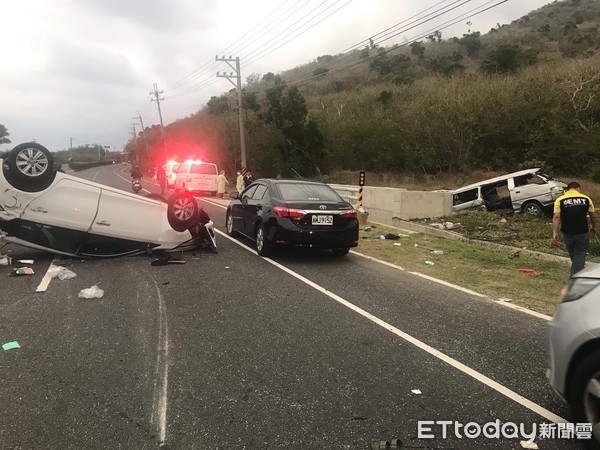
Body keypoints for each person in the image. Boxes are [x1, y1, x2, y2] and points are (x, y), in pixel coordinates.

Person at [552, 181, 596, 277]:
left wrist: (554, 232)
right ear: (578, 188)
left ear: (567, 189)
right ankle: (575, 276)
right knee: (580, 253)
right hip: (582, 231)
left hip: (567, 232)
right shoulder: (586, 199)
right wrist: (593, 227)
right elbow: (593, 215)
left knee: (573, 253)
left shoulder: (560, 200)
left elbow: (556, 217)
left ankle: (578, 270)